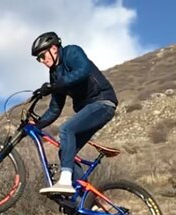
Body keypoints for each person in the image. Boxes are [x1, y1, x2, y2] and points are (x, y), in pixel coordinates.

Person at [30, 31, 118, 195]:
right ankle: (89, 201)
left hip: (103, 102)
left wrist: (55, 85)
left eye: (43, 55)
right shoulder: (55, 74)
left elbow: (83, 70)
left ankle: (64, 182)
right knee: (65, 153)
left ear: (54, 48)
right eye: (39, 59)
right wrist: (38, 123)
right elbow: (55, 108)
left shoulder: (71, 52)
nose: (42, 61)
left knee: (66, 129)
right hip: (89, 110)